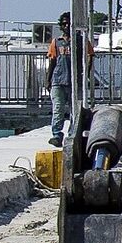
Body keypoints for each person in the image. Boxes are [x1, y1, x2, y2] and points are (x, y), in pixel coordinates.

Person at [48, 12, 75, 146]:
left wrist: (85, 76)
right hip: (58, 79)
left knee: (74, 110)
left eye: (69, 23)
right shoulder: (56, 42)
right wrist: (48, 80)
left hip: (74, 81)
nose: (66, 26)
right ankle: (57, 134)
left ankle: (72, 134)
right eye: (64, 24)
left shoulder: (79, 40)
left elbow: (89, 56)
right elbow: (52, 61)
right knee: (58, 108)